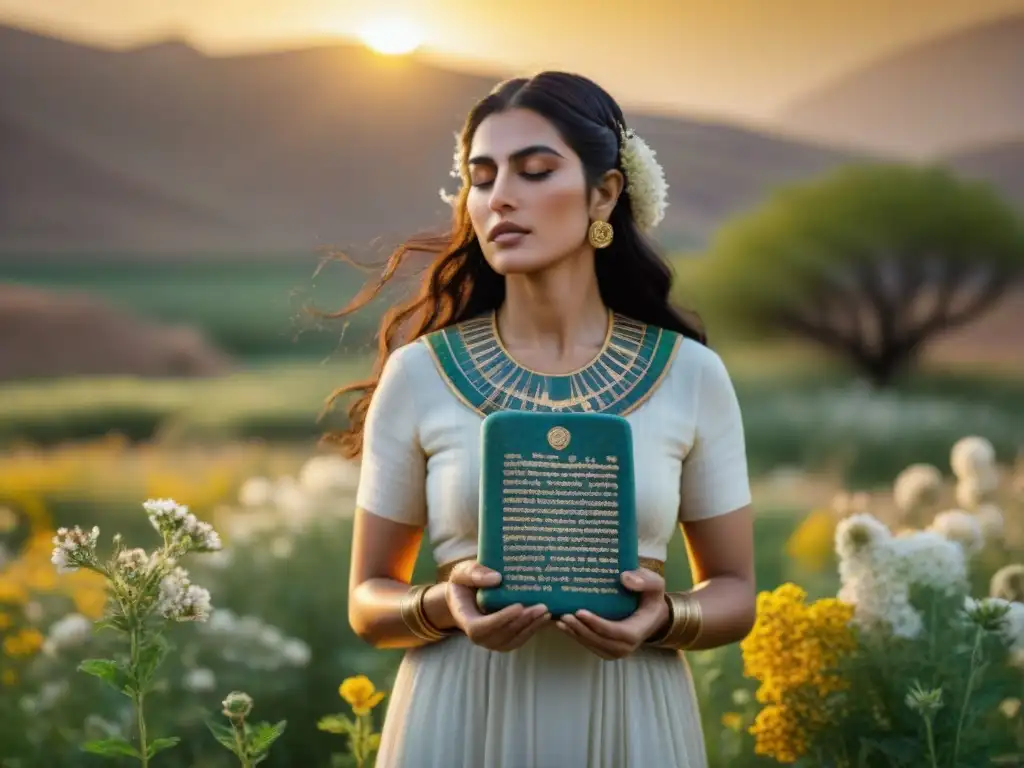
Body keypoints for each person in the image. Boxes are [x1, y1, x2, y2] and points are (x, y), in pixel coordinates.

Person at [325, 71, 756, 768]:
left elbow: (736, 592)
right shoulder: (420, 374)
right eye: (483, 177)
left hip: (631, 716)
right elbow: (368, 600)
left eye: (534, 171)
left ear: (605, 193)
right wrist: (441, 606)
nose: (501, 199)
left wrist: (665, 618)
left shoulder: (692, 375)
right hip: (460, 711)